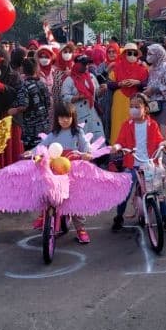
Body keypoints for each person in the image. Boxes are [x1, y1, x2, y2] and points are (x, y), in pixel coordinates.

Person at [110, 93, 166, 232]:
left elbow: (158, 139)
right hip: (132, 164)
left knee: (158, 191)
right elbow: (120, 141)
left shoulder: (152, 124)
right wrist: (117, 147)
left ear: (145, 108)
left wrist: (164, 143)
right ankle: (119, 217)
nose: (133, 109)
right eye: (131, 106)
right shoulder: (127, 125)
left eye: (137, 106)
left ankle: (165, 218)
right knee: (125, 191)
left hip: (150, 163)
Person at [39, 102, 93, 243]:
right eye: (62, 117)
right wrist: (32, 153)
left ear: (73, 117)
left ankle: (81, 229)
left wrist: (87, 153)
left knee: (74, 200)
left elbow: (86, 146)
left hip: (73, 169)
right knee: (48, 192)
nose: (65, 120)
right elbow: (41, 146)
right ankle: (43, 216)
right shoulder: (54, 134)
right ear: (57, 118)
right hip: (56, 169)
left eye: (68, 117)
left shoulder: (77, 133)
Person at [106, 43, 149, 144]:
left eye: (135, 54)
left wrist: (137, 82)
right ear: (124, 54)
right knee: (118, 125)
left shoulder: (143, 69)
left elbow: (147, 84)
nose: (132, 56)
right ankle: (117, 149)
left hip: (136, 100)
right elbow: (109, 84)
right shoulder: (116, 67)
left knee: (134, 124)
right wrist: (120, 83)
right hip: (119, 100)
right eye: (129, 53)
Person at [60, 54, 104, 142]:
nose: (87, 66)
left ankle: (99, 155)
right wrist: (78, 97)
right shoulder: (69, 80)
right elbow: (64, 97)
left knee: (97, 136)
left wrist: (102, 90)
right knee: (82, 138)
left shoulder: (91, 77)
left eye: (87, 64)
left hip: (92, 113)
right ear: (77, 65)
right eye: (84, 64)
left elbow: (96, 94)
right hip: (78, 114)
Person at [11, 58, 52, 150]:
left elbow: (23, 106)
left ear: (23, 69)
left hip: (31, 130)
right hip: (45, 126)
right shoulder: (42, 84)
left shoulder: (24, 86)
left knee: (32, 156)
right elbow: (49, 103)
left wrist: (14, 110)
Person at [143, 44, 166, 133]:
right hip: (153, 104)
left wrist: (154, 89)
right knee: (154, 131)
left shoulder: (165, 67)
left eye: (151, 54)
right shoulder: (153, 67)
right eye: (148, 53)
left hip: (165, 103)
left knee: (163, 132)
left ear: (158, 54)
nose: (148, 56)